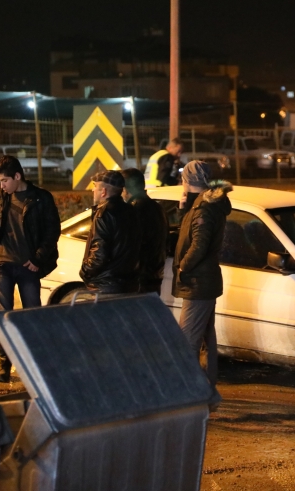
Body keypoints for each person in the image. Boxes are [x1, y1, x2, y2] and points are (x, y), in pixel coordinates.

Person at [0, 155, 61, 382]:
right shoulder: (3, 197)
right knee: (3, 315)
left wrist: (37, 258)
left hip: (28, 266)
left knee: (31, 316)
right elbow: (5, 228)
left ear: (18, 176)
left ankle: (33, 363)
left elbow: (51, 232)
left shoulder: (41, 198)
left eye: (4, 180)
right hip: (3, 264)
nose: (1, 185)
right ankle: (4, 365)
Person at [172, 160, 232, 405]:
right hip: (205, 280)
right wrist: (184, 206)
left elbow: (199, 244)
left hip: (198, 281)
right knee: (206, 340)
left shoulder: (204, 208)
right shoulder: (205, 204)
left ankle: (189, 395)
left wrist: (184, 265)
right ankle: (207, 393)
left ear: (187, 180)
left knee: (187, 342)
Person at [80, 170, 141, 295]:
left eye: (95, 187)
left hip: (106, 284)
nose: (93, 191)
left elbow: (99, 253)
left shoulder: (104, 214)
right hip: (129, 282)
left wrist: (85, 271)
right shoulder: (131, 211)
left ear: (103, 192)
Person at [121, 168, 167, 293]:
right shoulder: (157, 207)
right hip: (154, 275)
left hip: (139, 278)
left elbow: (132, 246)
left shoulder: (134, 210)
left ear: (125, 189)